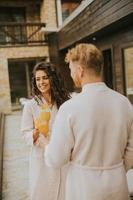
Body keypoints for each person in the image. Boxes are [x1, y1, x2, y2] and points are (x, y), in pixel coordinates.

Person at [44, 43, 133, 200]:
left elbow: (55, 159)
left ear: (80, 71)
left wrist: (46, 143)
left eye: (71, 70)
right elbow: (131, 149)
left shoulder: (69, 108)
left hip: (83, 188)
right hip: (117, 185)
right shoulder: (124, 103)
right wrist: (115, 169)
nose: (71, 74)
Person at [21, 62, 70, 200]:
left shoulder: (64, 103)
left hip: (61, 154)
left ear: (52, 78)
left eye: (45, 77)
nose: (41, 82)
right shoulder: (31, 105)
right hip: (41, 157)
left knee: (63, 191)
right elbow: (25, 132)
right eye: (38, 79)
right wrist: (34, 133)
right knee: (41, 191)